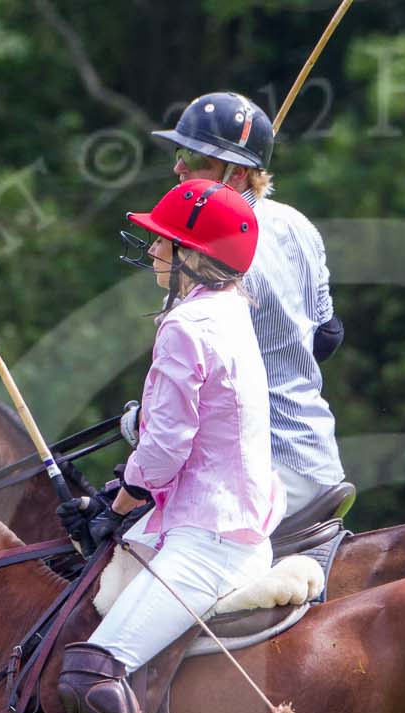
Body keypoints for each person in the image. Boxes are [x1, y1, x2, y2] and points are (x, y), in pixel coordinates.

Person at [56, 179, 282, 713]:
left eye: (168, 240)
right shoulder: (228, 312)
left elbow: (166, 450)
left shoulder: (185, 326)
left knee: (90, 669)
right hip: (229, 522)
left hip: (207, 541)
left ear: (197, 257)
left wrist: (114, 504)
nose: (155, 246)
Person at [149, 92, 346, 518]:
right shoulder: (299, 225)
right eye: (180, 151)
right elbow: (328, 336)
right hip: (319, 457)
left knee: (129, 550)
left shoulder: (215, 253)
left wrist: (143, 424)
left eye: (195, 157)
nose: (178, 166)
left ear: (237, 174)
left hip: (261, 469)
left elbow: (197, 383)